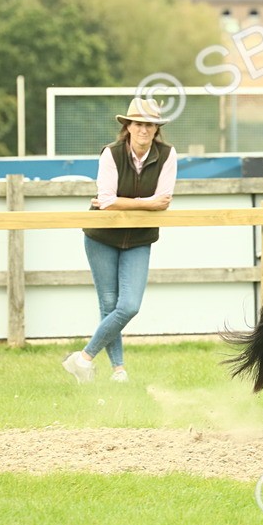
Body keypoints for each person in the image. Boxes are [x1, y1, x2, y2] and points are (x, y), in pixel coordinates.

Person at [61, 98, 177, 383]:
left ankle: (82, 359)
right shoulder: (111, 153)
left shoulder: (167, 154)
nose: (143, 129)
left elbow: (163, 200)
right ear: (128, 126)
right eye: (138, 123)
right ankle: (119, 371)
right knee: (109, 303)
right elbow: (106, 201)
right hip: (101, 235)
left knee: (129, 305)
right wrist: (146, 203)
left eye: (149, 125)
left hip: (139, 237)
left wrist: (120, 202)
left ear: (157, 129)